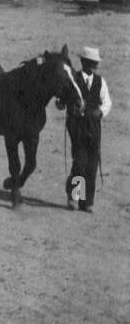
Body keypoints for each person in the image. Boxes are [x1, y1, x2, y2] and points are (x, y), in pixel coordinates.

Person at [62, 47, 111, 213]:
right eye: (91, 63)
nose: (94, 66)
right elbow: (62, 100)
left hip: (94, 126)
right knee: (80, 162)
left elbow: (107, 102)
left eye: (95, 63)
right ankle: (74, 197)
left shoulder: (100, 81)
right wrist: (64, 104)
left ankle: (87, 201)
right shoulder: (73, 79)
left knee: (92, 164)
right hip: (77, 126)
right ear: (83, 62)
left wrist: (101, 112)